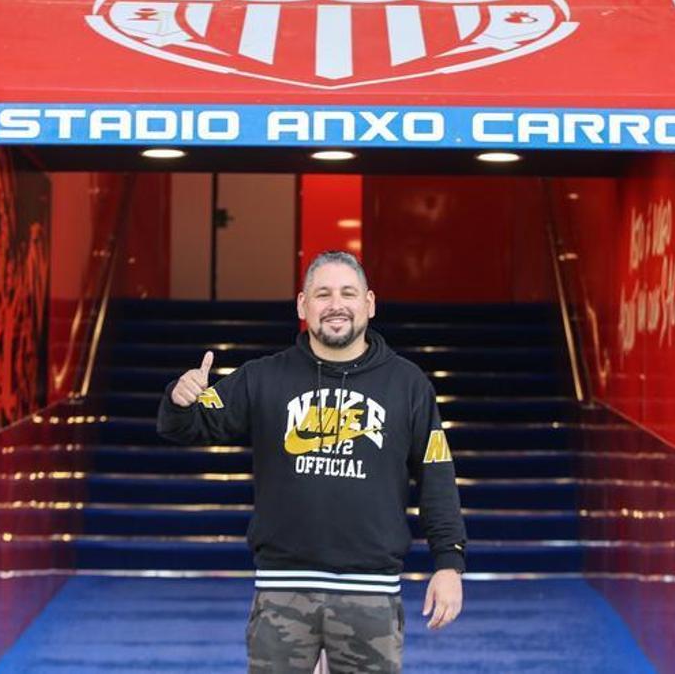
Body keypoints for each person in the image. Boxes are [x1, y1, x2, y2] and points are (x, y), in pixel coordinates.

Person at [158, 250, 466, 673]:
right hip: (282, 590)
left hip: (370, 594)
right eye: (322, 294)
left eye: (347, 293)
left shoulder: (408, 385)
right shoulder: (263, 377)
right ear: (303, 306)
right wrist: (180, 397)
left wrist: (448, 562)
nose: (335, 304)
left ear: (370, 303)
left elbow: (436, 478)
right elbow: (188, 426)